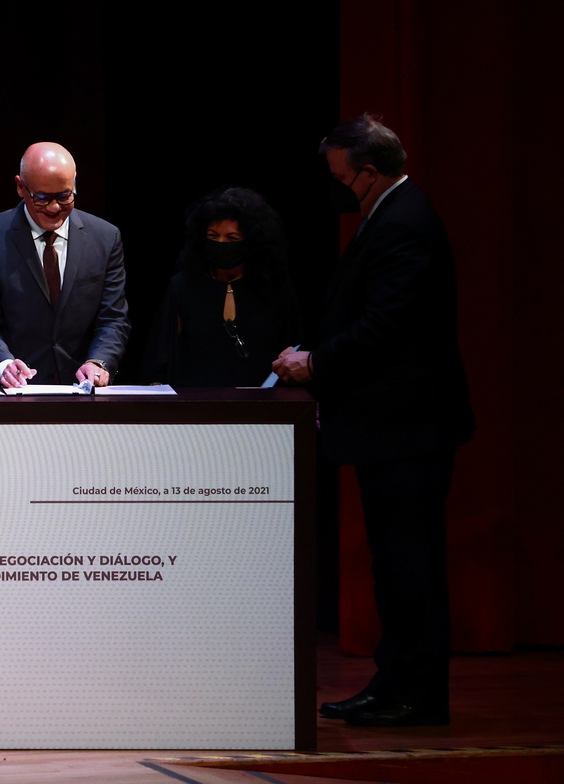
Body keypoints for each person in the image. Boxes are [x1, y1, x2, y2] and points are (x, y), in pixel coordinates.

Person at [272, 115, 474, 727]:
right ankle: (394, 684)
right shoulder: (392, 214)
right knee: (393, 566)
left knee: (410, 567)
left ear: (368, 171)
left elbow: (386, 326)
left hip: (408, 430)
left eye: (340, 177)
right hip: (393, 429)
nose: (336, 187)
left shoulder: (404, 221)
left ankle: (415, 695)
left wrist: (315, 363)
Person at [0, 142, 129, 387]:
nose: (54, 208)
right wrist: (3, 364)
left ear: (75, 184)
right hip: (16, 391)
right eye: (41, 198)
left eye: (64, 196)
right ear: (20, 187)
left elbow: (113, 319)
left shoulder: (105, 237)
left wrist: (98, 362)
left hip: (84, 390)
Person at [142, 186, 300, 386]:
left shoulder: (275, 287)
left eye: (232, 238)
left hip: (262, 399)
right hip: (196, 400)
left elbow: (293, 348)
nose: (221, 243)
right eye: (213, 236)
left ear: (252, 241)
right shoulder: (183, 286)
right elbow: (160, 356)